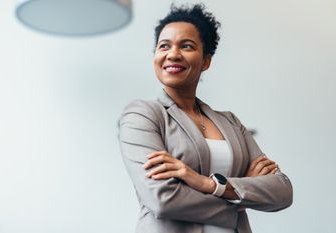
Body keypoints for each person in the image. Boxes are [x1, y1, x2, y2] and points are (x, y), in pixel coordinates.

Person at [118, 3, 293, 233]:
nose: (172, 54)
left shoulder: (230, 122)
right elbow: (163, 199)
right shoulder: (142, 115)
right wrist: (239, 201)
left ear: (206, 61)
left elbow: (282, 191)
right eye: (164, 46)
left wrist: (207, 183)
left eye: (186, 46)